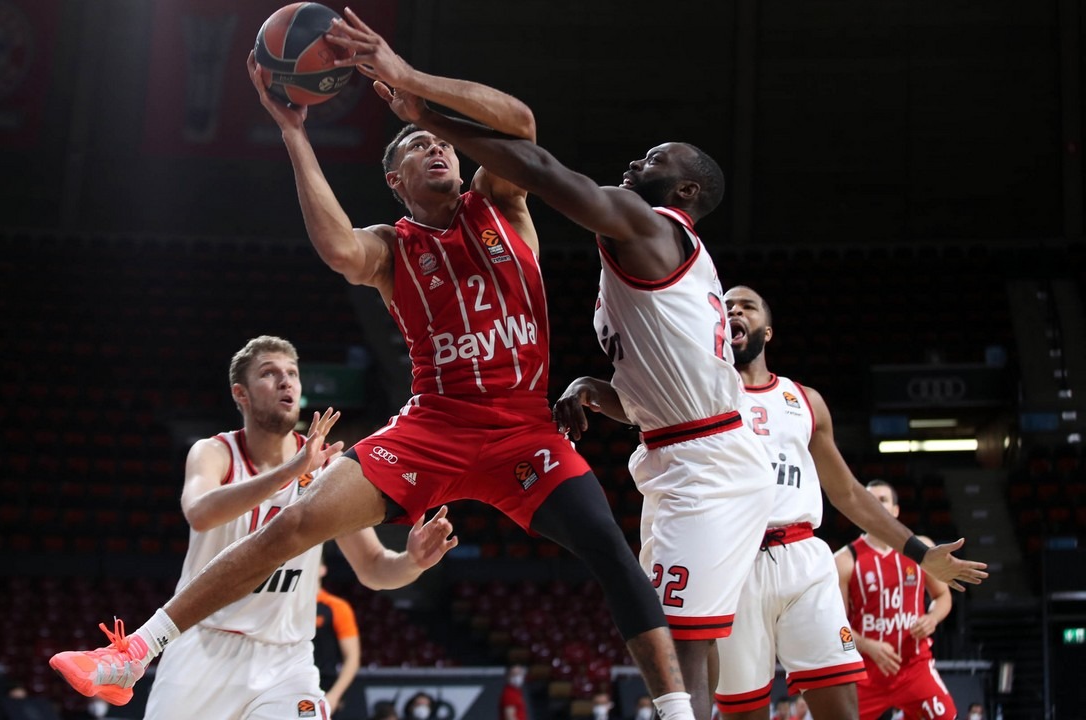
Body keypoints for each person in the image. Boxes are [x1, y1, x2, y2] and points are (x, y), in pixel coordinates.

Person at [47, 10, 692, 720]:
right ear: (394, 179)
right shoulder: (392, 246)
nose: (435, 148)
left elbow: (521, 123)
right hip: (435, 426)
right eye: (417, 146)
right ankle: (133, 653)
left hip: (524, 428)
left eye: (439, 142)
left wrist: (414, 88)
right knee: (291, 525)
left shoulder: (501, 202)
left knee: (608, 547)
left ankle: (675, 711)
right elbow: (336, 249)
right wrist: (294, 133)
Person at [337, 13, 779, 720]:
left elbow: (539, 169)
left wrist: (426, 112)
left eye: (655, 160)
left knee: (680, 644)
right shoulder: (641, 258)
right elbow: (655, 392)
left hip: (707, 461)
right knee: (692, 637)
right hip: (678, 451)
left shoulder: (649, 224)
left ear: (686, 193)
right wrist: (589, 389)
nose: (635, 164)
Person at [58, 335, 459, 718]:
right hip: (202, 645)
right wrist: (289, 473)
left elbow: (373, 568)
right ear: (241, 394)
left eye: (293, 373)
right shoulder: (214, 452)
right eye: (269, 373)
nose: (286, 381)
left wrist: (412, 561)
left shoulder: (325, 467)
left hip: (287, 658)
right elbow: (200, 513)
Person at [712, 287, 988, 720]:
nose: (734, 311)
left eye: (746, 306)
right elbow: (639, 408)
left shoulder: (805, 401)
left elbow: (849, 493)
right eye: (726, 307)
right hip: (736, 563)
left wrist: (919, 553)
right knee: (743, 713)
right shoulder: (702, 394)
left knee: (841, 708)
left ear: (767, 330)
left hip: (801, 557)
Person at [835, 481, 959, 720]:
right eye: (870, 500)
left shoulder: (922, 548)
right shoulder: (844, 560)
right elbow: (837, 629)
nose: (876, 505)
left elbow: (943, 596)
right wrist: (866, 645)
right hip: (865, 673)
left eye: (883, 500)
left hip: (914, 668)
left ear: (896, 510)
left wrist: (932, 618)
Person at [316, 558, 361, 715]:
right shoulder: (285, 607)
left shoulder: (337, 607)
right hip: (288, 683)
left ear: (323, 569)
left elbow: (352, 658)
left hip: (324, 685)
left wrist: (334, 695)